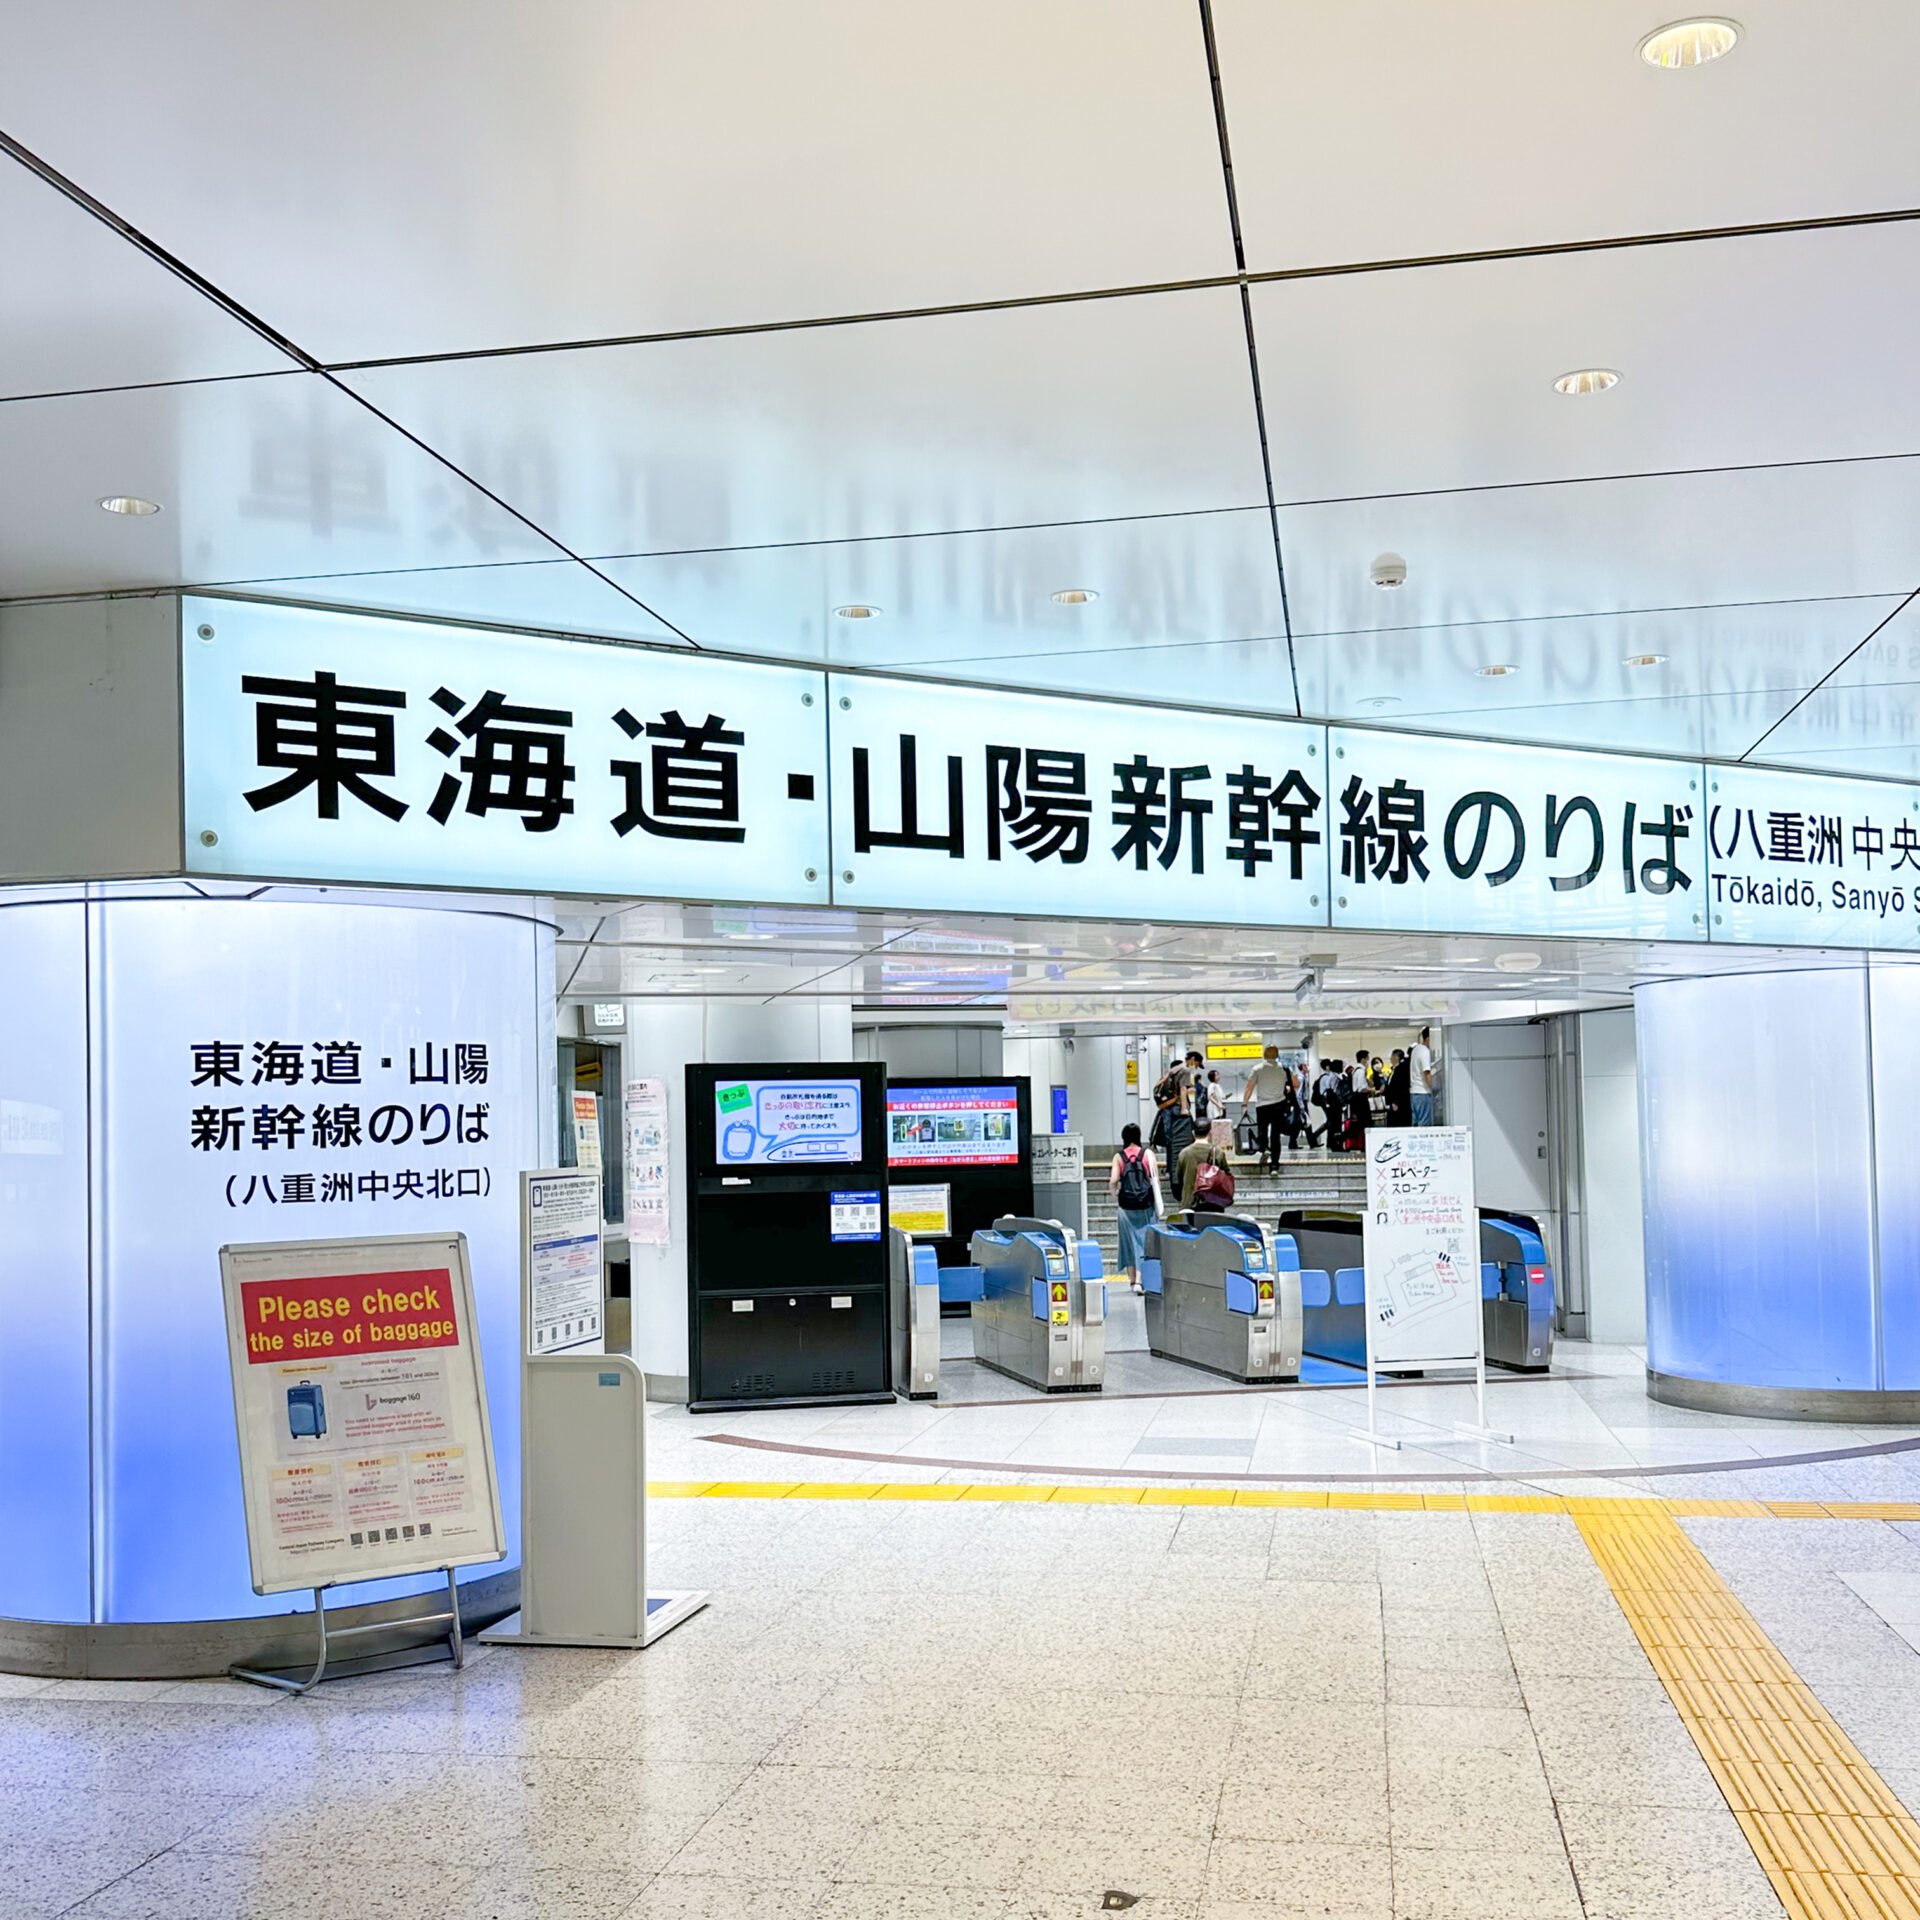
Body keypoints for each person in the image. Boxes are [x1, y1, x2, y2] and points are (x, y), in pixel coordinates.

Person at [1109, 1122, 1164, 1293]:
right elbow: (1155, 1180)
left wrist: (1115, 1195)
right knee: (1144, 1243)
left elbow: (1113, 1181)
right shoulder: (1148, 1154)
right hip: (1145, 1206)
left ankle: (1133, 1280)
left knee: (1128, 1243)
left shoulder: (1119, 1157)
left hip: (1126, 1207)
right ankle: (1141, 1280)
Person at [1240, 1044, 1293, 1170]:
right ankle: (1274, 1165)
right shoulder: (1284, 1069)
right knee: (1275, 1135)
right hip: (1279, 1105)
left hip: (1263, 1106)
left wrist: (1244, 1104)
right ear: (1277, 1055)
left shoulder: (1257, 1069)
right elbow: (1295, 1084)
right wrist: (1285, 1088)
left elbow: (1249, 1087)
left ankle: (1264, 1148)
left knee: (1262, 1131)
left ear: (1264, 1055)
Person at [1176, 1128, 1215, 1208]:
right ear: (1210, 1133)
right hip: (1213, 1203)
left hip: (1189, 1202)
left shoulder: (1184, 1153)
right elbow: (1226, 1175)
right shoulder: (1217, 1152)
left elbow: (1179, 1177)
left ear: (1193, 1133)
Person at [1411, 1026, 1435, 1126]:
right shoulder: (1425, 1052)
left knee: (1416, 1123)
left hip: (1414, 1093)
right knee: (1424, 1125)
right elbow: (1427, 1073)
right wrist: (1433, 1089)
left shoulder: (1416, 1049)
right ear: (1429, 1038)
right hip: (1423, 1092)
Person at [1385, 1047, 1412, 1128]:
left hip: (1399, 1103)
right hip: (1392, 1103)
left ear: (1396, 1057)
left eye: (1392, 1056)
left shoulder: (1401, 1069)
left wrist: (1395, 1102)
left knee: (1398, 1123)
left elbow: (1400, 1087)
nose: (1390, 1058)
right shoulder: (1394, 1070)